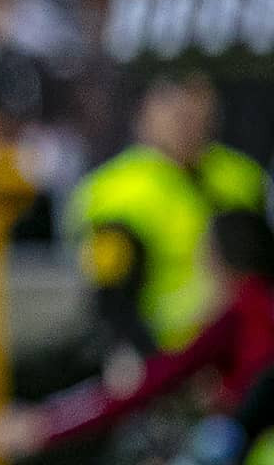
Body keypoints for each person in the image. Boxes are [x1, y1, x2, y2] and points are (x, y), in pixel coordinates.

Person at [0, 211, 274, 460]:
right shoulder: (258, 308)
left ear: (216, 261)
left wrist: (48, 426)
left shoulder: (241, 313)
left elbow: (151, 383)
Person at [68, 72, 267, 359]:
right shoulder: (114, 193)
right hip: (164, 356)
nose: (186, 116)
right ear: (143, 114)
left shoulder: (242, 177)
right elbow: (113, 304)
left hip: (241, 351)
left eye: (196, 100)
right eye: (172, 105)